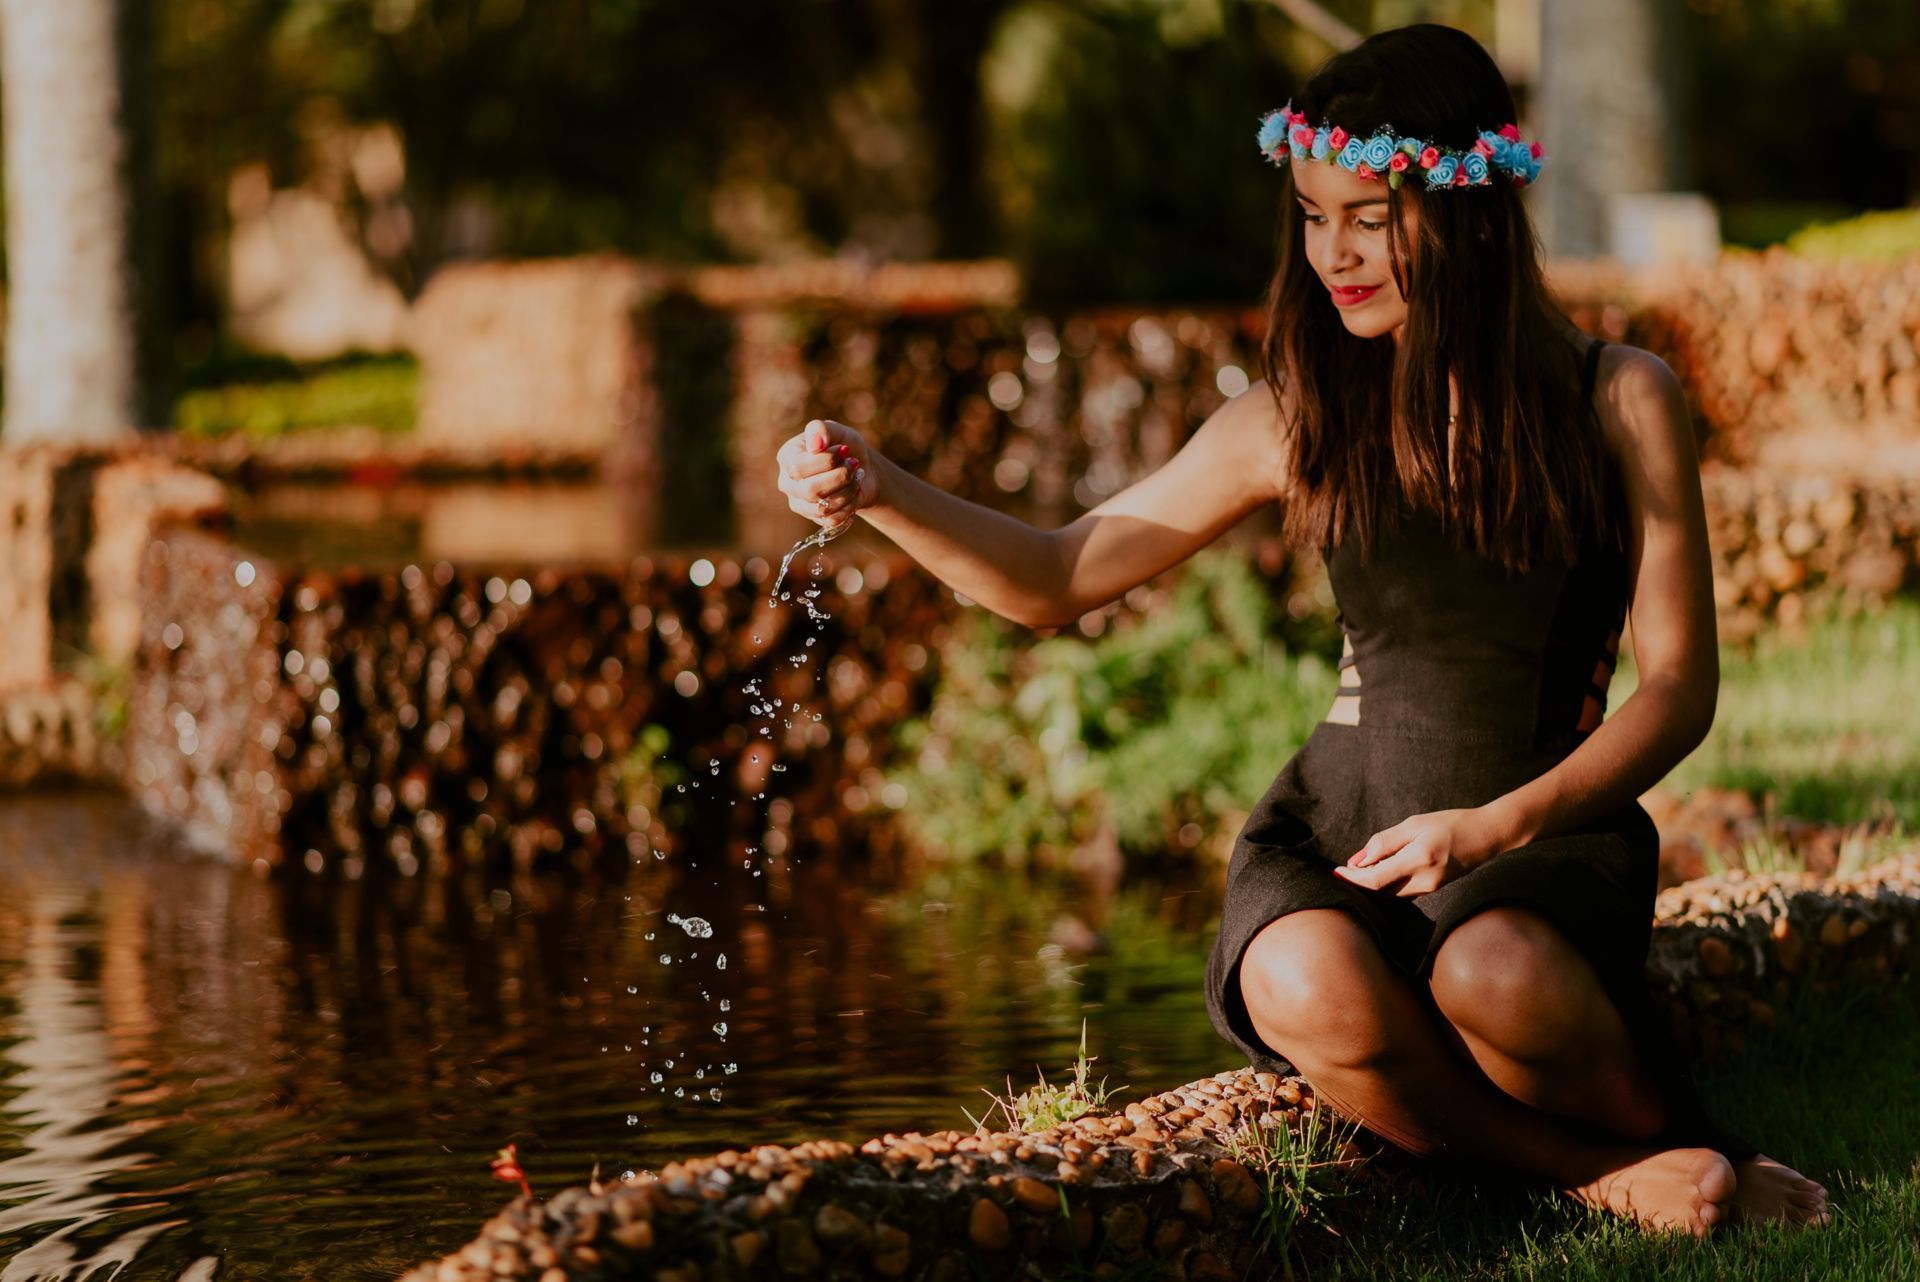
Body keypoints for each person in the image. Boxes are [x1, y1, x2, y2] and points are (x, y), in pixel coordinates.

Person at [771, 22, 1828, 1238]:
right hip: (1347, 828)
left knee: (1498, 976)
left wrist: (1497, 823)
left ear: (1467, 207)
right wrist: (886, 490)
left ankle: (1675, 1135)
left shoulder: (1617, 394)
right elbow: (1059, 575)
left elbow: (1679, 686)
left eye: (1370, 215)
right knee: (1294, 974)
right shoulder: (1296, 413)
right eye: (1314, 215)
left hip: (1542, 834)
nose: (1334, 253)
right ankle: (1601, 1181)